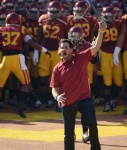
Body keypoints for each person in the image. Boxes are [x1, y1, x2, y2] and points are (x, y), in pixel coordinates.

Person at [50, 20, 107, 150]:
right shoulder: (57, 68)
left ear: (71, 50)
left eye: (66, 47)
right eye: (62, 47)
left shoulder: (81, 57)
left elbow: (96, 47)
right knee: (68, 134)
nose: (63, 49)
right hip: (68, 101)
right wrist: (57, 97)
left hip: (84, 98)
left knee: (92, 123)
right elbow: (54, 88)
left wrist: (101, 31)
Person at [0, 12, 49, 118]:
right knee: (26, 84)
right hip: (17, 59)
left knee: (0, 86)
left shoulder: (1, 29)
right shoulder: (22, 29)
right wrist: (44, 50)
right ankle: (20, 107)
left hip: (4, 60)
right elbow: (31, 43)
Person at [100, 6, 123, 112]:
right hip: (104, 53)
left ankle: (113, 99)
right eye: (106, 17)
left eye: (110, 16)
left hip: (116, 53)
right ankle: (107, 102)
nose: (108, 19)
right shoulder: (99, 25)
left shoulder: (119, 24)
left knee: (118, 81)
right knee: (107, 81)